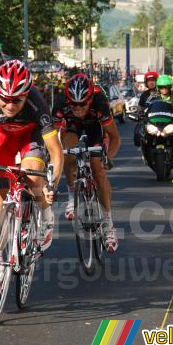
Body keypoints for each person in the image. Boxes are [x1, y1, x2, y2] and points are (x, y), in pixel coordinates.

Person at [0, 59, 63, 298]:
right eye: (5, 99)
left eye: (16, 100)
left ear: (26, 95)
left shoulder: (37, 104)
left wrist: (52, 184)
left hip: (30, 137)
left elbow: (56, 151)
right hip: (1, 139)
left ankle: (45, 217)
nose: (9, 105)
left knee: (33, 177)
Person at [54, 73, 121, 252]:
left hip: (95, 129)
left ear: (90, 98)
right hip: (72, 127)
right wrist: (50, 155)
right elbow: (50, 135)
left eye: (82, 104)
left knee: (98, 170)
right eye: (73, 104)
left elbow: (115, 137)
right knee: (67, 154)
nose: (78, 108)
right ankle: (71, 195)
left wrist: (108, 158)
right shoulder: (60, 101)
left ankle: (108, 225)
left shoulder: (100, 102)